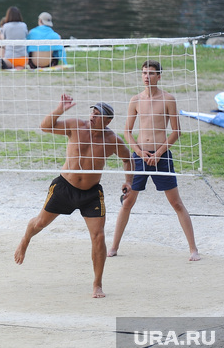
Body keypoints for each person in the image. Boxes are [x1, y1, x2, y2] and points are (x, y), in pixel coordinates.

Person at [14, 96, 133, 298]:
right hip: (64, 187)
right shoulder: (76, 126)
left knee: (99, 236)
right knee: (40, 223)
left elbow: (128, 159)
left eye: (98, 115)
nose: (92, 117)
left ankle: (97, 284)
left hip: (91, 193)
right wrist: (60, 109)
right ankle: (25, 240)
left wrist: (128, 182)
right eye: (92, 113)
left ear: (108, 121)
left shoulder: (112, 140)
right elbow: (45, 126)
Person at [108, 60, 200, 261]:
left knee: (176, 203)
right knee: (127, 202)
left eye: (151, 73)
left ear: (159, 76)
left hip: (161, 156)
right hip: (140, 157)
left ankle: (193, 249)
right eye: (144, 73)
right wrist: (139, 153)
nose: (146, 77)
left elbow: (177, 132)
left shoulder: (168, 99)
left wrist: (158, 153)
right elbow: (127, 132)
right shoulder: (135, 100)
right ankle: (113, 247)